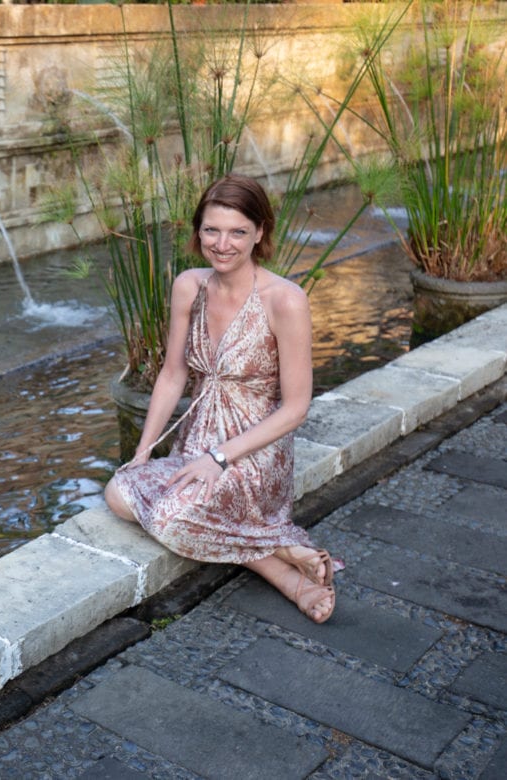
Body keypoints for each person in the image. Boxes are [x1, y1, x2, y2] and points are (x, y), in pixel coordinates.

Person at [104, 174, 336, 623]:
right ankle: (280, 551)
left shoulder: (285, 300)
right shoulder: (189, 286)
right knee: (118, 493)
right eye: (212, 230)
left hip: (253, 451)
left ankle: (288, 580)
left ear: (260, 233)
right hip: (194, 443)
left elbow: (296, 408)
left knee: (171, 519)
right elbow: (173, 374)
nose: (222, 244)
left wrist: (221, 458)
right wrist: (143, 450)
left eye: (237, 232)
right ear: (198, 232)